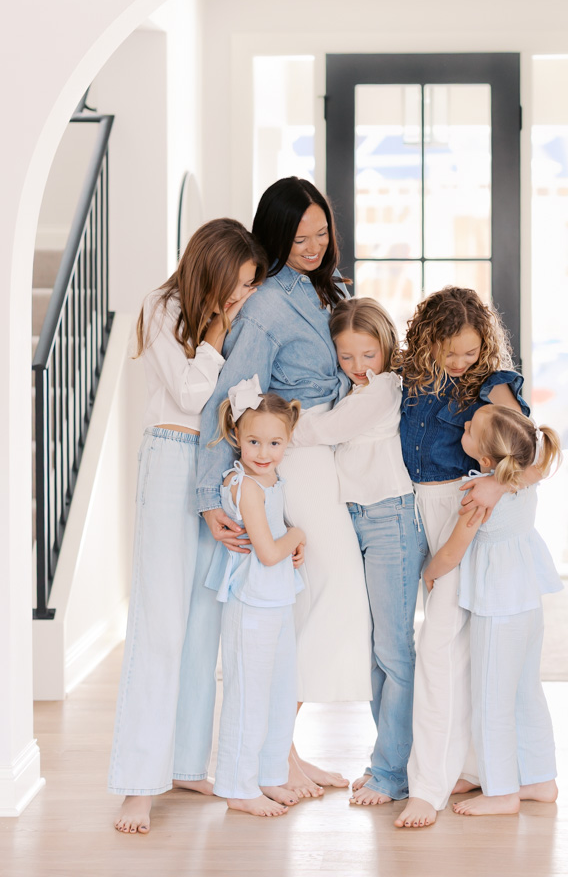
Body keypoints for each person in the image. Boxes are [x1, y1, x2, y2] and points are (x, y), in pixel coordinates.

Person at [196, 177, 372, 798]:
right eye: (300, 238)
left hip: (335, 457)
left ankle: (286, 753)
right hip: (294, 462)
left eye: (322, 233)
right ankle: (275, 758)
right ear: (275, 236)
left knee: (313, 600)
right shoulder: (269, 304)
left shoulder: (333, 291)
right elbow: (228, 397)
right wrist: (208, 494)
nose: (315, 246)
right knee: (326, 591)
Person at [109, 218, 265, 835]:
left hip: (215, 464)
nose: (242, 295)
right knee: (162, 623)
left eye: (251, 285)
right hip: (172, 458)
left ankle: (186, 763)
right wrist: (221, 330)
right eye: (238, 283)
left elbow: (238, 397)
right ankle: (137, 784)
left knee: (206, 621)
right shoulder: (163, 305)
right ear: (212, 268)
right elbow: (190, 392)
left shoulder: (231, 316)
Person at [394, 286, 537, 829]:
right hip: (407, 508)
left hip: (461, 507)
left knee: (440, 646)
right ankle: (464, 764)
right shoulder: (409, 378)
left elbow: (529, 450)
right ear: (426, 341)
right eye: (448, 351)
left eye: (470, 352)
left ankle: (427, 787)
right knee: (433, 648)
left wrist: (498, 489)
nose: (459, 363)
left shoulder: (493, 383)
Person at [290, 297, 427, 806]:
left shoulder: (384, 388)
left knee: (393, 650)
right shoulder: (350, 390)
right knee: (375, 651)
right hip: (359, 517)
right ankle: (390, 763)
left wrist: (266, 427)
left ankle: (393, 772)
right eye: (345, 357)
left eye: (367, 354)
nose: (357, 367)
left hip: (390, 517)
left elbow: (325, 431)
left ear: (386, 348)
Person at [423, 404, 562, 816]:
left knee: (491, 700)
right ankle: (539, 779)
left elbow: (452, 551)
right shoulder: (522, 478)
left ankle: (501, 791)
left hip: (498, 609)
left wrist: (429, 573)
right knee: (524, 692)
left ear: (485, 459)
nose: (463, 424)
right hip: (527, 605)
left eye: (471, 428)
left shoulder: (478, 495)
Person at [205, 378, 306, 817]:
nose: (263, 452)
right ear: (236, 437)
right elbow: (267, 552)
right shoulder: (245, 484)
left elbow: (274, 538)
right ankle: (237, 785)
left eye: (274, 442)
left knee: (282, 691)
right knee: (248, 696)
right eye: (253, 441)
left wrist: (289, 540)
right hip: (253, 602)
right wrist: (297, 535)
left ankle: (269, 774)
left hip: (278, 598)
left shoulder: (270, 477)